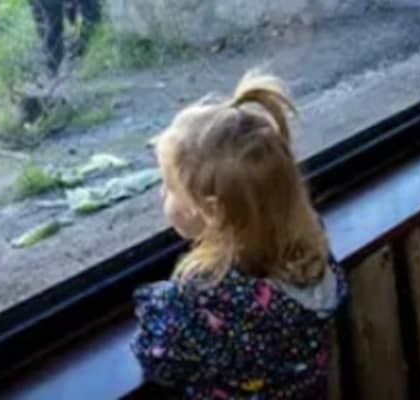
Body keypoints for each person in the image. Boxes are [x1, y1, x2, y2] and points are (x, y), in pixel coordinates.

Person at [131, 70, 347, 399]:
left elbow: (156, 356)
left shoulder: (205, 293)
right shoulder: (311, 251)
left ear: (211, 210)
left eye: (169, 186)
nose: (162, 194)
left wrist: (155, 300)